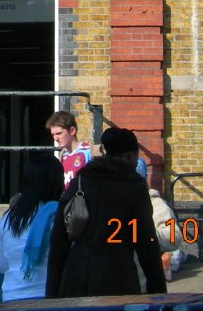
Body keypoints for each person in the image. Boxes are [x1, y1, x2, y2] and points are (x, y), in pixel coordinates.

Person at [46, 127, 167, 298]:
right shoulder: (134, 186)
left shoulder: (82, 179)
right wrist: (158, 294)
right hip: (117, 278)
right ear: (130, 156)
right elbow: (146, 243)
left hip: (76, 275)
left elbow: (59, 238)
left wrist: (52, 293)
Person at [0, 153, 64, 302]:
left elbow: (2, 266)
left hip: (11, 297)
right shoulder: (56, 214)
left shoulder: (6, 218)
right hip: (48, 296)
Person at [46, 111, 90, 189]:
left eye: (59, 133)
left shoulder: (87, 152)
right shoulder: (62, 155)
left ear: (72, 131)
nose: (55, 138)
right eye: (53, 134)